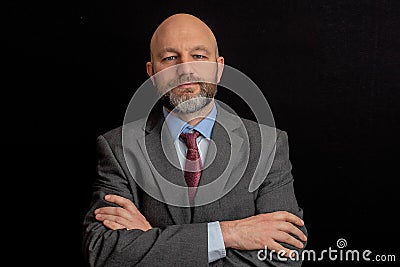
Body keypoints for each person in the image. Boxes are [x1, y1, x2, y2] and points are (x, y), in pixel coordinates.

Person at [82, 13, 308, 266]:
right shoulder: (118, 148)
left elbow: (286, 254)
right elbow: (104, 252)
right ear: (152, 72)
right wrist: (228, 234)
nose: (185, 69)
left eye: (199, 56)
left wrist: (150, 240)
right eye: (170, 58)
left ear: (219, 68)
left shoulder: (267, 144)